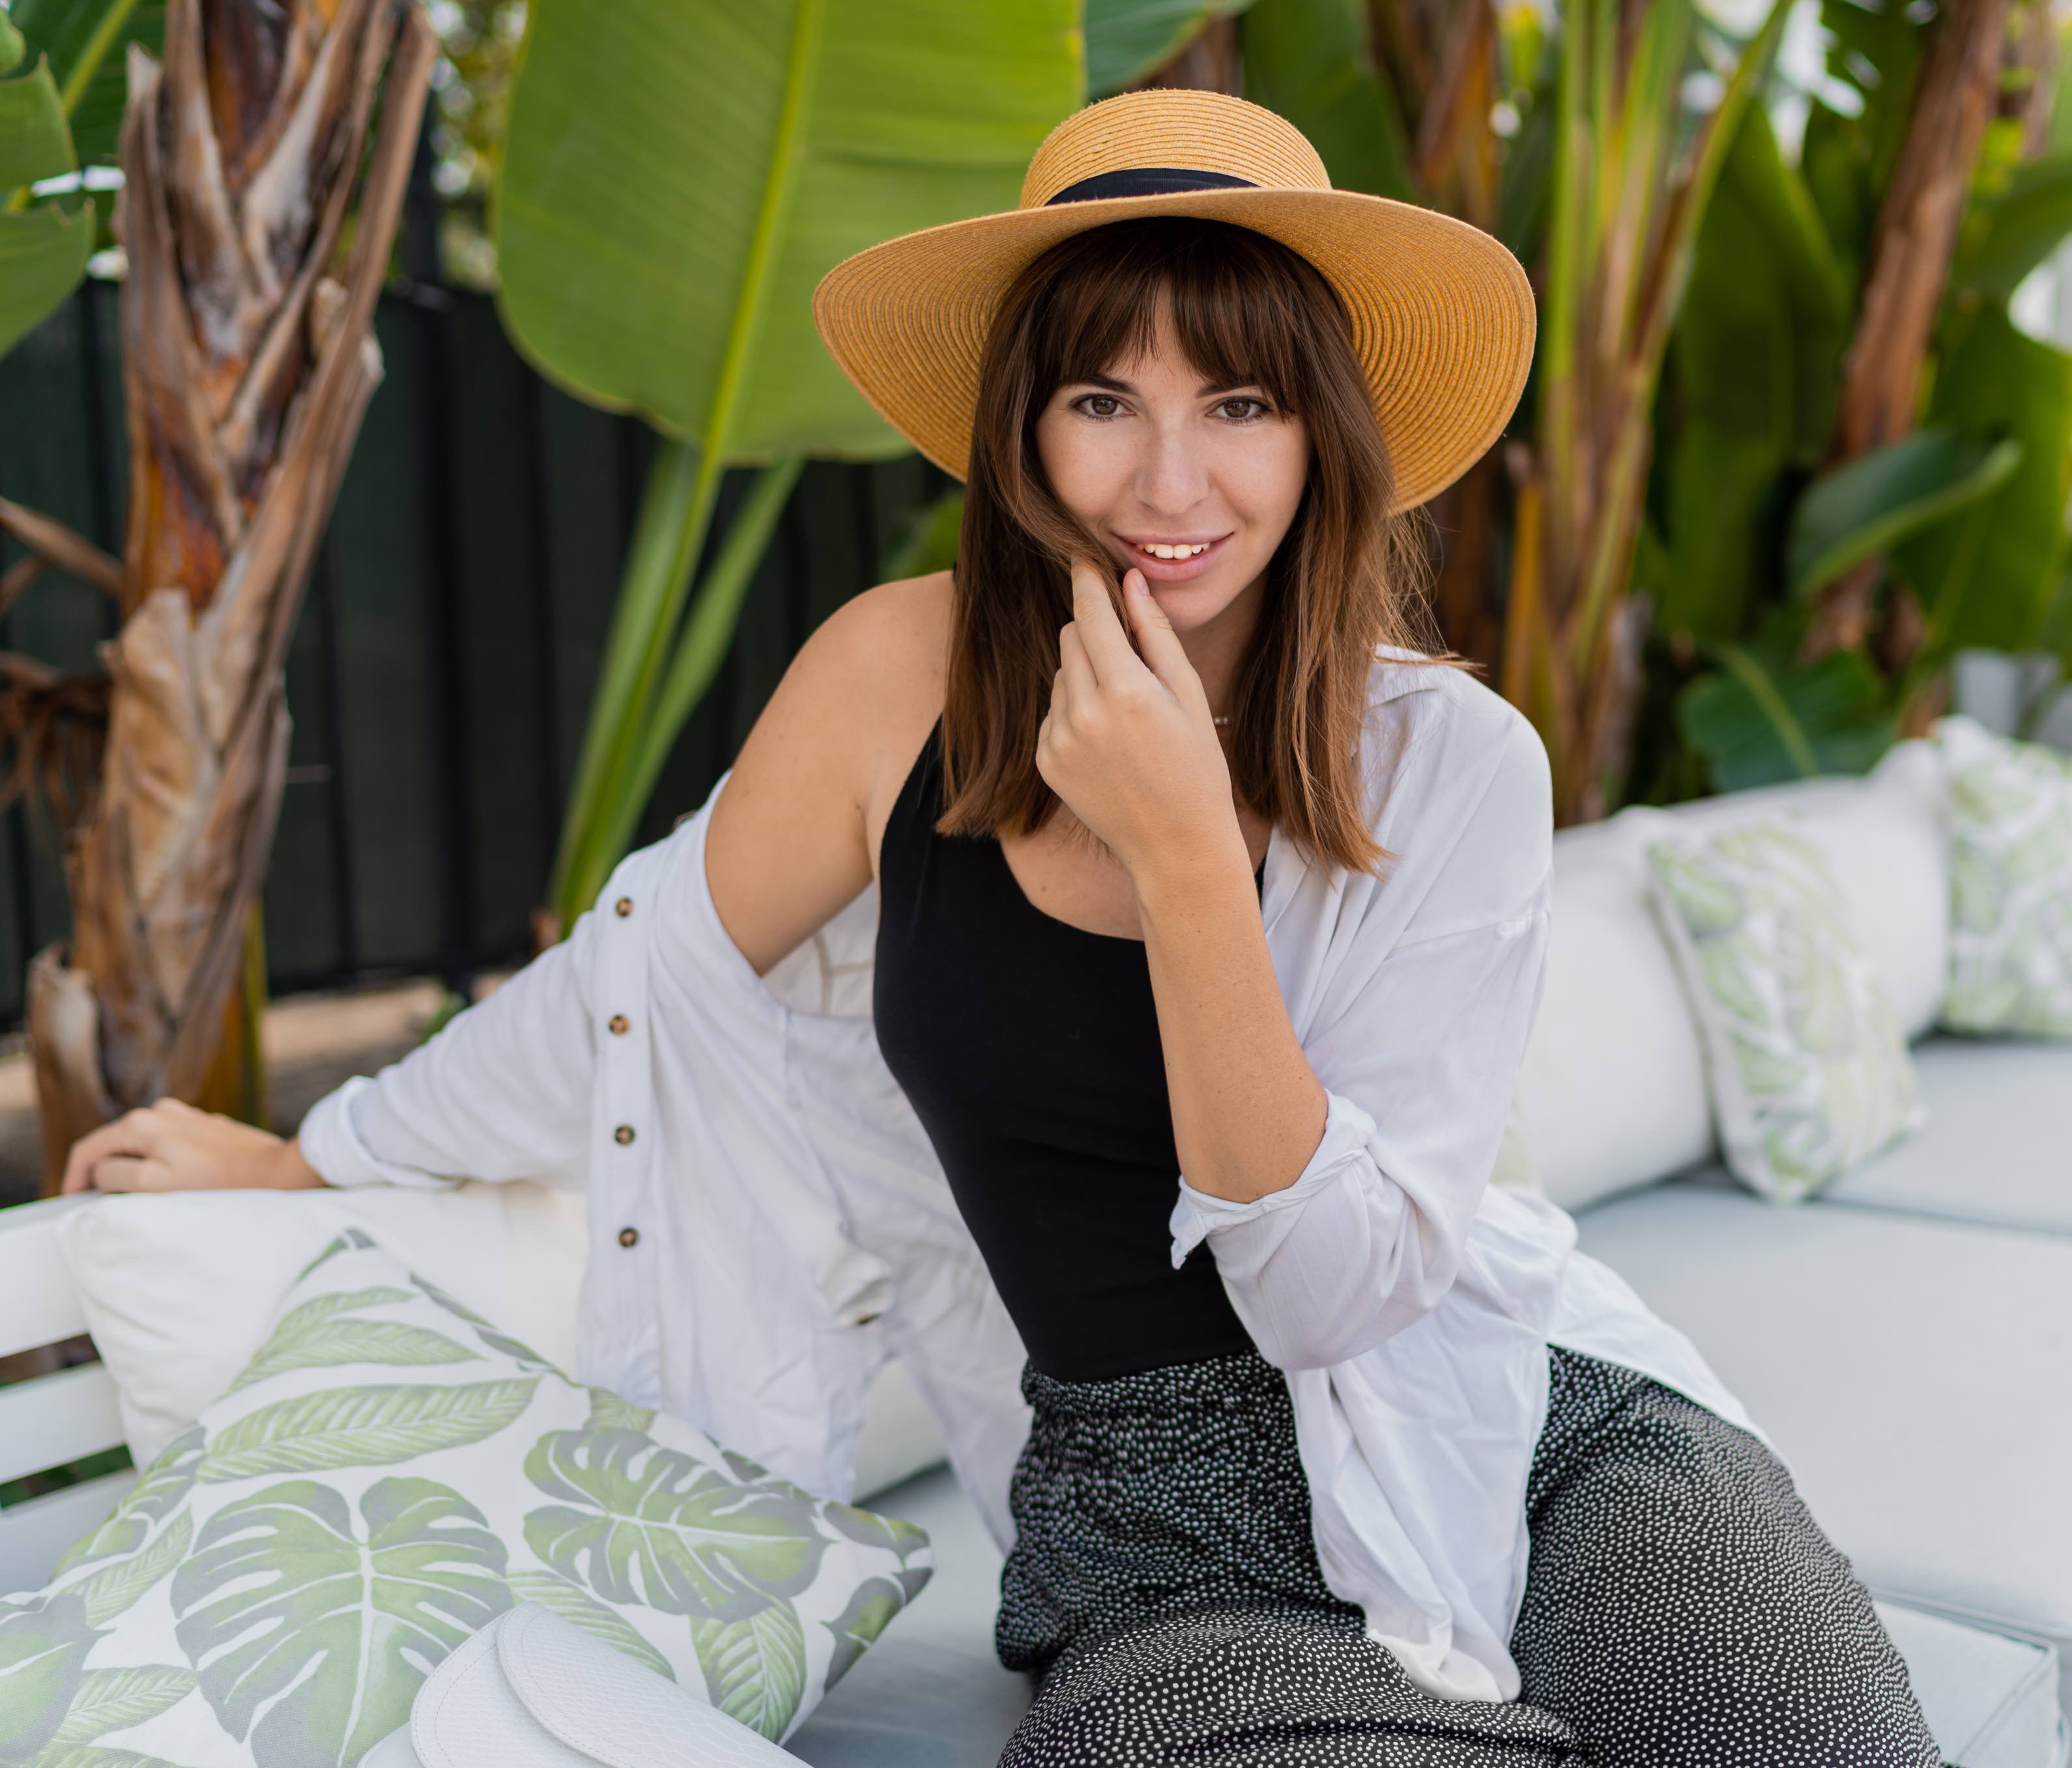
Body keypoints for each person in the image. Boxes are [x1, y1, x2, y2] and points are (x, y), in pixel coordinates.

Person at [63, 89, 1948, 1768]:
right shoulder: (895, 679)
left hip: (1520, 1415)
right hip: (1165, 1532)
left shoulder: (1450, 761)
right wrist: (312, 1153)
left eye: (1240, 405)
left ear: (1322, 435)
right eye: (1100, 399)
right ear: (1019, 422)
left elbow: (1338, 1291)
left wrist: (1188, 861)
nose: (1169, 485)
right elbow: (639, 976)